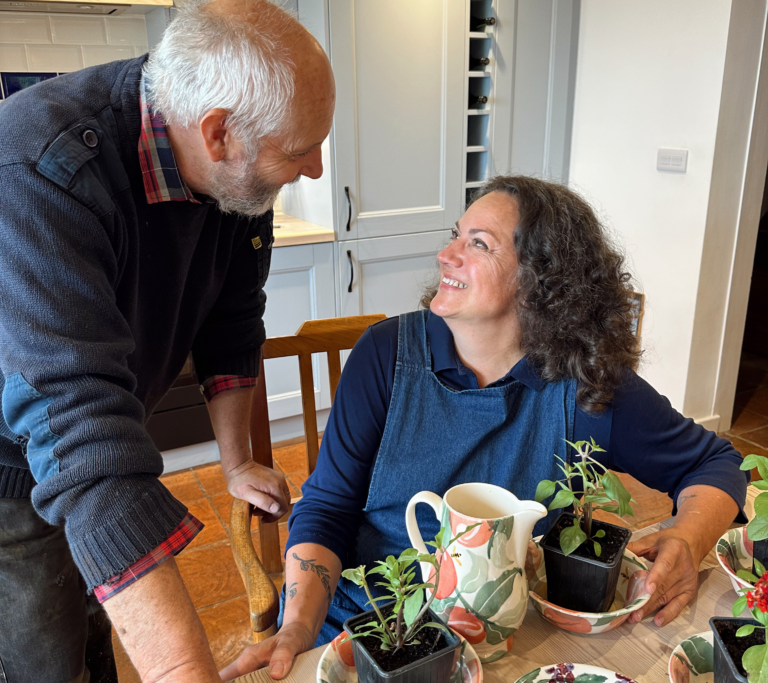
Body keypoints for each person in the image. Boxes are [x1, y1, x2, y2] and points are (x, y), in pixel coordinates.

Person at [220, 175, 750, 681]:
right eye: (456, 235)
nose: (445, 255)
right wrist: (298, 625)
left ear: (542, 281)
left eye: (479, 244)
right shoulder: (384, 357)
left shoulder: (585, 387)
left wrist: (687, 536)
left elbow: (716, 462)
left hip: (506, 642)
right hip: (369, 631)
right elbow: (328, 509)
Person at [0, 0, 335, 681]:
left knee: (99, 631)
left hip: (85, 442)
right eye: (300, 148)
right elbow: (84, 437)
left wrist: (236, 463)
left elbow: (233, 320)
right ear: (218, 132)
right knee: (45, 656)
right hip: (10, 466)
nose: (316, 170)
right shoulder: (38, 168)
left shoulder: (231, 177)